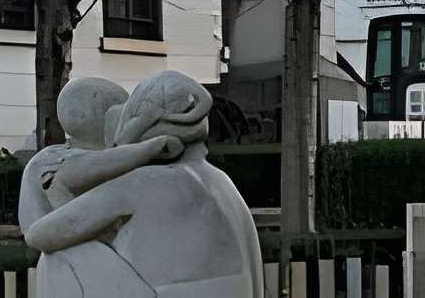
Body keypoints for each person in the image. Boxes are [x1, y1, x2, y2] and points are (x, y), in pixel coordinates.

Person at [22, 72, 261, 298]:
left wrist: (59, 186)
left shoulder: (143, 183)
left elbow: (39, 235)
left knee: (54, 257)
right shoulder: (222, 181)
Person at [24, 77, 162, 298]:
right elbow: (107, 162)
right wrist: (156, 145)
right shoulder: (57, 160)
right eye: (119, 114)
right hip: (71, 252)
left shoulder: (54, 157)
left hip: (72, 251)